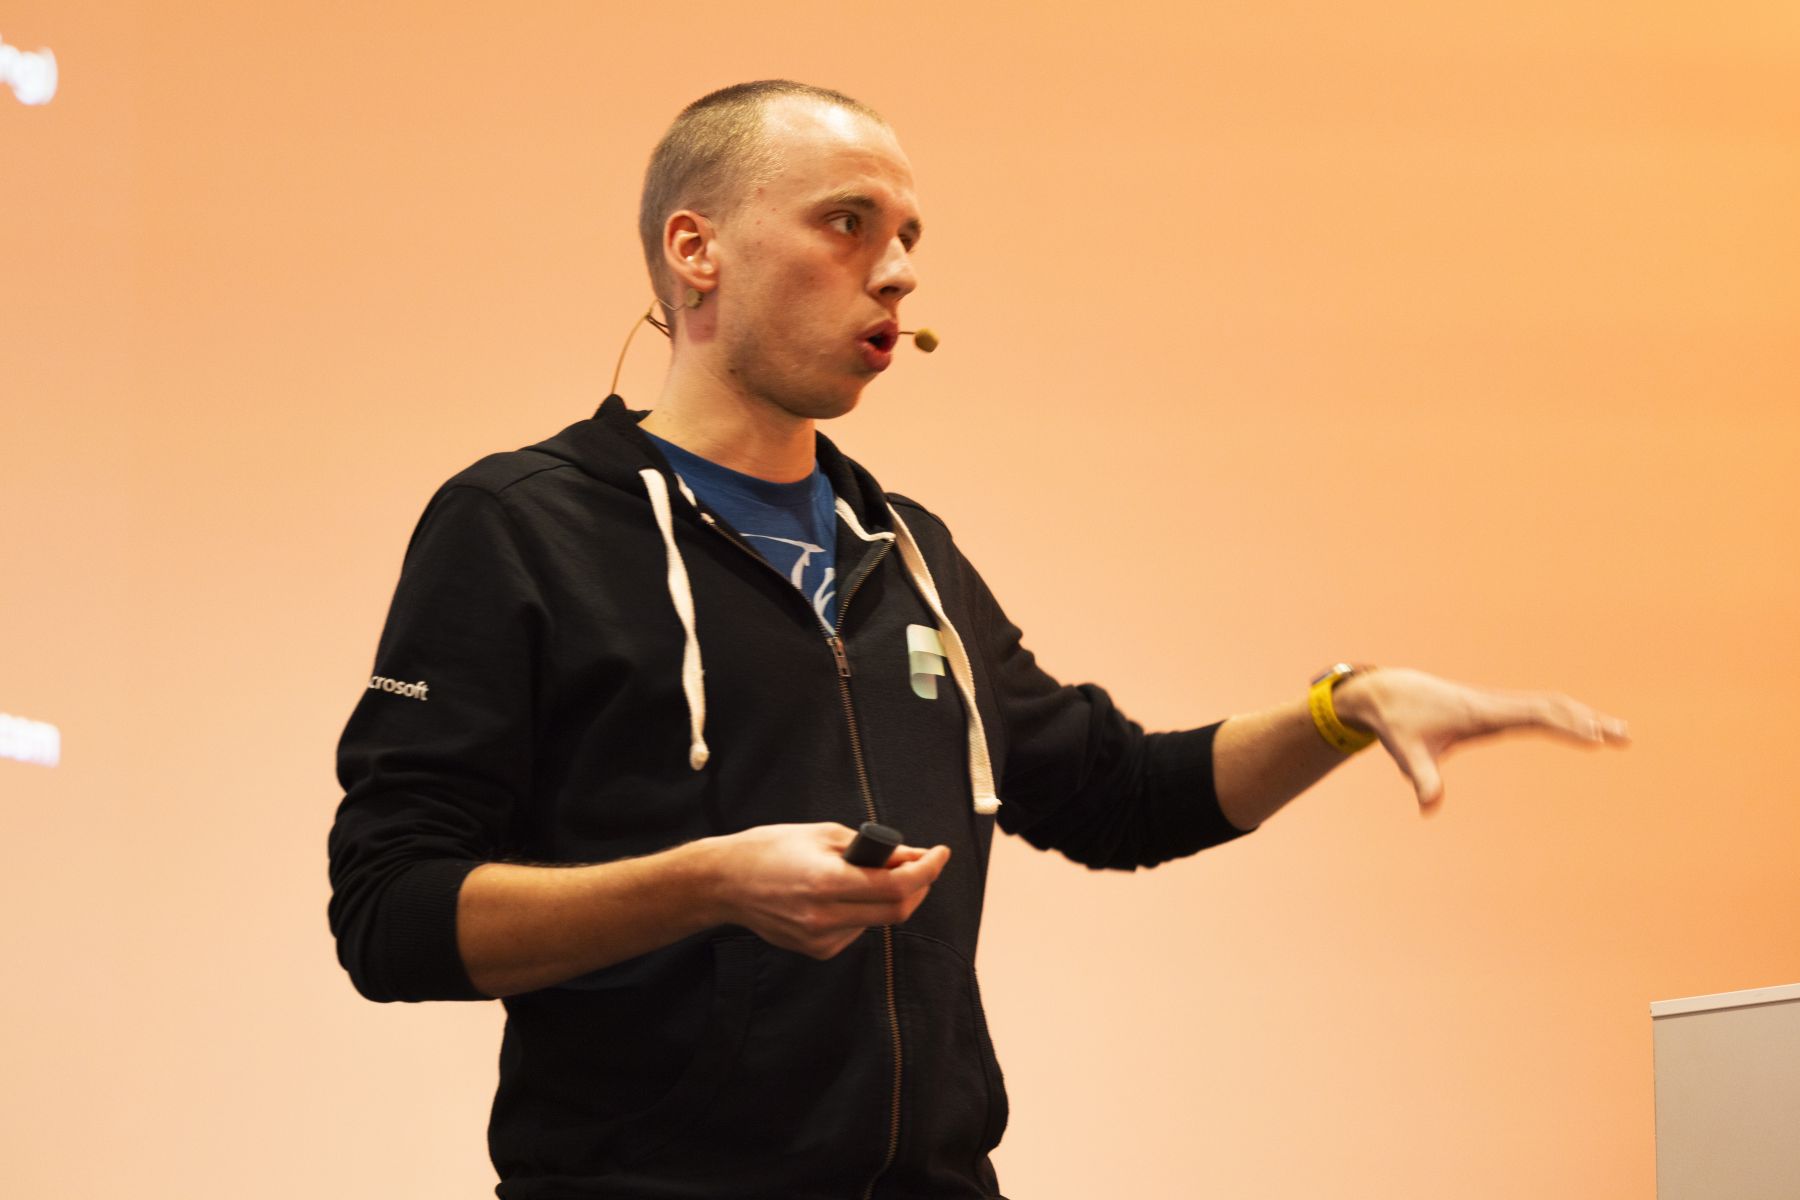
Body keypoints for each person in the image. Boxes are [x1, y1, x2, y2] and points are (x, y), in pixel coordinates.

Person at [328, 80, 1628, 1199]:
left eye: (908, 238)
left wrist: (1344, 708)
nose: (897, 271)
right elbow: (391, 915)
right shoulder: (521, 525)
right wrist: (708, 884)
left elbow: (1116, 794)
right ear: (696, 248)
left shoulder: (908, 552)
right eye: (848, 223)